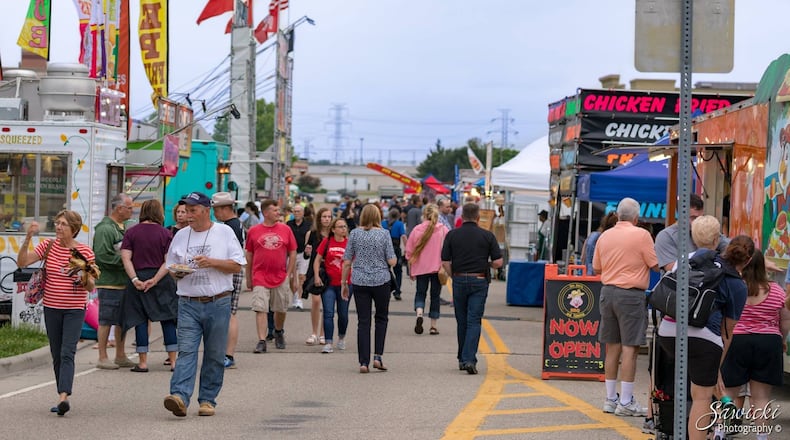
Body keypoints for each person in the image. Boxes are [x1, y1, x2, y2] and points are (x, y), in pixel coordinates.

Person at [656, 220, 752, 440]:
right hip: (703, 337)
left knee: (682, 386)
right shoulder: (736, 283)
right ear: (718, 240)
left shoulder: (684, 261)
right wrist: (717, 367)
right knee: (701, 397)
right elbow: (727, 332)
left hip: (668, 331)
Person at [163, 191, 246, 417]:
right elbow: (171, 266)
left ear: (205, 210)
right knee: (187, 351)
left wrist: (212, 262)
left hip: (218, 301)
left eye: (193, 211)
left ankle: (208, 399)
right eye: (186, 211)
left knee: (214, 353)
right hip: (188, 302)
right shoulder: (180, 236)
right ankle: (179, 396)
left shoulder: (224, 232)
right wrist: (177, 273)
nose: (188, 216)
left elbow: (237, 266)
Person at [17, 211, 97, 416]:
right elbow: (22, 262)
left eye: (63, 224)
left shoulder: (84, 252)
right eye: (57, 223)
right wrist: (27, 238)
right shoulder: (48, 246)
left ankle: (64, 397)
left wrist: (83, 274)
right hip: (52, 308)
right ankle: (61, 394)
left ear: (74, 229)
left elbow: (90, 288)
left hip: (74, 309)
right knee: (56, 352)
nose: (58, 227)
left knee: (67, 351)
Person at [592, 197, 658, 417]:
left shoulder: (605, 236)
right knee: (630, 348)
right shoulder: (642, 235)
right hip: (631, 295)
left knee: (612, 347)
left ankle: (610, 399)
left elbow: (596, 267)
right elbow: (655, 263)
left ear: (618, 215)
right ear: (636, 218)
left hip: (607, 292)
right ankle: (627, 401)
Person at [720, 249, 790, 440]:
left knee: (728, 395)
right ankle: (761, 437)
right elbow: (785, 321)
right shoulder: (776, 290)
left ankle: (719, 432)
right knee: (761, 398)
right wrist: (781, 340)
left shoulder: (736, 286)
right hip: (768, 343)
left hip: (737, 341)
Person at [441, 203, 503, 375]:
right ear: (477, 218)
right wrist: (487, 264)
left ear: (462, 218)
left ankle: (462, 358)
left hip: (459, 279)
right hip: (479, 279)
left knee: (461, 321)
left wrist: (454, 275)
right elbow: (498, 263)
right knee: (474, 320)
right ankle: (469, 359)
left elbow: (445, 262)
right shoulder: (487, 236)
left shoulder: (452, 235)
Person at [120, 199, 178, 372]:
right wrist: (156, 279)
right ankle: (174, 361)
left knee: (140, 320)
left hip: (138, 277)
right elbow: (168, 261)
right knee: (167, 319)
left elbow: (125, 258)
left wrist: (134, 279)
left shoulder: (131, 233)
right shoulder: (165, 234)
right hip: (161, 280)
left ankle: (143, 362)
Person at [341, 204, 397, 373]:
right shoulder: (384, 234)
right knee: (381, 318)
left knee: (363, 322)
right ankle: (377, 356)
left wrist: (344, 283)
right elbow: (392, 260)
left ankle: (363, 362)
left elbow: (347, 261)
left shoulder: (355, 234)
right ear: (378, 216)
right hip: (381, 281)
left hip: (360, 281)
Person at [245, 199, 298, 353]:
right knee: (260, 308)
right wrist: (249, 277)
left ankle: (279, 331)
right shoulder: (254, 231)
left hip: (280, 276)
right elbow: (249, 255)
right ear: (266, 213)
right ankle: (262, 340)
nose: (278, 213)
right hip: (260, 276)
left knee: (280, 309)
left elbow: (293, 252)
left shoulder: (285, 229)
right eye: (275, 210)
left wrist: (289, 273)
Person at [93, 193, 134, 370]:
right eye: (129, 208)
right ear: (119, 208)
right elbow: (102, 256)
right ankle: (102, 356)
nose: (132, 211)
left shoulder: (122, 228)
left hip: (122, 282)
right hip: (109, 282)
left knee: (122, 321)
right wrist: (126, 262)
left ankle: (120, 354)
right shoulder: (105, 229)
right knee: (106, 320)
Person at [210, 192, 245, 370]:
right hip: (230, 269)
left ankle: (229, 354)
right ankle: (225, 353)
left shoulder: (230, 227)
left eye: (216, 210)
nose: (215, 214)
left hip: (231, 270)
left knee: (230, 313)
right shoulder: (235, 224)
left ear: (225, 209)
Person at [654, 194, 727, 272]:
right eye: (693, 218)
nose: (698, 221)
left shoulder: (705, 229)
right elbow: (673, 269)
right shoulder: (666, 236)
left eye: (700, 217)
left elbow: (728, 247)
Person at [405, 204, 449, 335]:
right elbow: (448, 249)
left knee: (420, 293)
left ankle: (419, 313)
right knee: (435, 296)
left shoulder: (417, 229)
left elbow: (409, 251)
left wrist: (411, 266)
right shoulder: (443, 230)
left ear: (423, 215)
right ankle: (433, 326)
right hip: (437, 268)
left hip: (421, 268)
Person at [313, 217, 351, 353]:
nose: (343, 229)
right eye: (340, 227)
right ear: (333, 229)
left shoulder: (350, 243)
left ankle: (341, 337)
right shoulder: (327, 242)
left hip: (346, 284)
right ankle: (328, 342)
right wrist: (317, 276)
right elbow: (317, 260)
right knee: (328, 312)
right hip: (329, 283)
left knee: (343, 314)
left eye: (345, 226)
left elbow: (355, 262)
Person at [302, 207, 331, 344]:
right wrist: (307, 253)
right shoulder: (312, 233)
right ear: (319, 219)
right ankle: (314, 332)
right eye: (324, 216)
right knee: (316, 300)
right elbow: (307, 255)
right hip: (315, 270)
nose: (326, 219)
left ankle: (323, 334)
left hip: (329, 270)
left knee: (327, 302)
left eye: (329, 217)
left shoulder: (334, 234)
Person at [287, 204, 312, 310]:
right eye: (295, 211)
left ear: (303, 213)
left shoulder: (308, 225)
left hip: (303, 254)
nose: (296, 213)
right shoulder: (288, 224)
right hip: (291, 253)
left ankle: (299, 299)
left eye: (298, 211)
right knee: (291, 278)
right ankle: (295, 295)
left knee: (301, 277)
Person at [382, 207, 406, 301]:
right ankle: (397, 290)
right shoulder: (399, 224)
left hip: (384, 250)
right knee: (398, 271)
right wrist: (407, 249)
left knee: (385, 270)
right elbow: (403, 236)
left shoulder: (383, 223)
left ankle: (386, 289)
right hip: (395, 249)